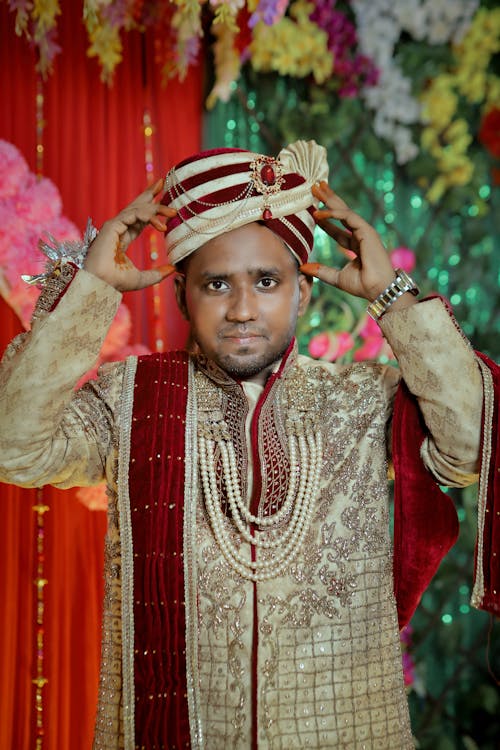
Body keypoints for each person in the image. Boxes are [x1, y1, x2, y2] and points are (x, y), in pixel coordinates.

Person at [0, 140, 497, 750]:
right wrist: (92, 288)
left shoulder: (367, 400)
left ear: (303, 293)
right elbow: (14, 447)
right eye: (216, 284)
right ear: (182, 294)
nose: (241, 309)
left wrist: (392, 296)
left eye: (266, 281)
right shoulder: (128, 400)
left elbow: (472, 449)